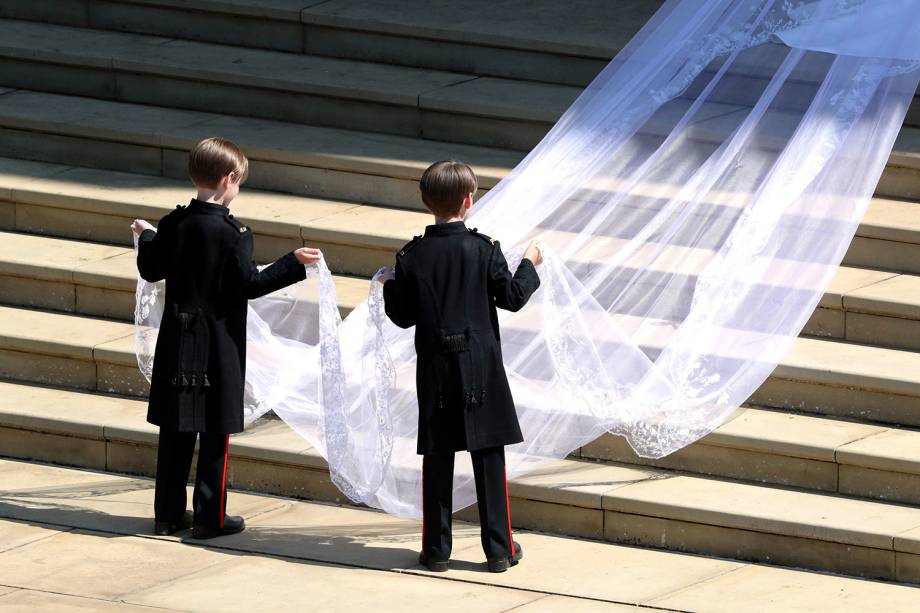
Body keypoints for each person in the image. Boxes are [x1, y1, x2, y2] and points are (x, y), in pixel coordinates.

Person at [132, 137, 322, 540]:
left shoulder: (174, 223)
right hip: (217, 346)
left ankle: (166, 514)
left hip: (177, 341)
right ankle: (209, 517)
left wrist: (148, 235)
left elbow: (151, 269)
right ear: (229, 178)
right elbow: (249, 285)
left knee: (175, 431)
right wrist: (293, 263)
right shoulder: (234, 233)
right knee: (214, 433)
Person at [381, 160, 542, 573]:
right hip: (480, 369)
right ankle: (499, 551)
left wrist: (390, 285)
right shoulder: (484, 248)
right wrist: (530, 262)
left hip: (436, 368)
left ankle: (436, 550)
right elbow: (512, 297)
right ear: (468, 200)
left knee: (438, 456)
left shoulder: (412, 255)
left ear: (425, 201)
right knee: (489, 455)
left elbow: (402, 316)